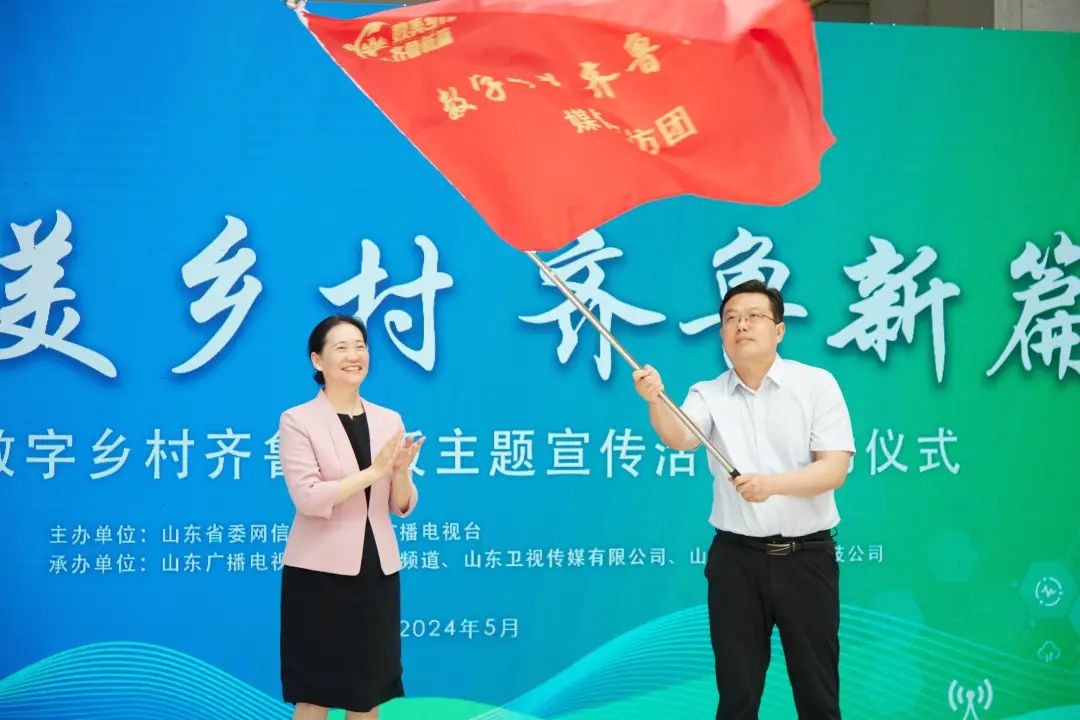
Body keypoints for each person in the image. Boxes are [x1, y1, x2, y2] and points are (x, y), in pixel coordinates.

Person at [632, 280, 855, 720]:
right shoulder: (707, 393)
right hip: (736, 562)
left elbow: (834, 470)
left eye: (754, 316)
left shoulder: (816, 384)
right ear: (721, 333)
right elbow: (680, 437)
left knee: (818, 695)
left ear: (779, 330)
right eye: (731, 318)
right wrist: (655, 400)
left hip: (806, 559)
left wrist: (772, 485)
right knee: (737, 696)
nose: (742, 325)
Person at [278, 314, 424, 720]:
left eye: (360, 346)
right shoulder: (298, 420)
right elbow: (308, 497)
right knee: (314, 695)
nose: (354, 355)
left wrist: (400, 472)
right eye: (341, 347)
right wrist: (375, 471)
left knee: (368, 694)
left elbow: (400, 505)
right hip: (318, 575)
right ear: (317, 360)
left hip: (376, 571)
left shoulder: (389, 419)